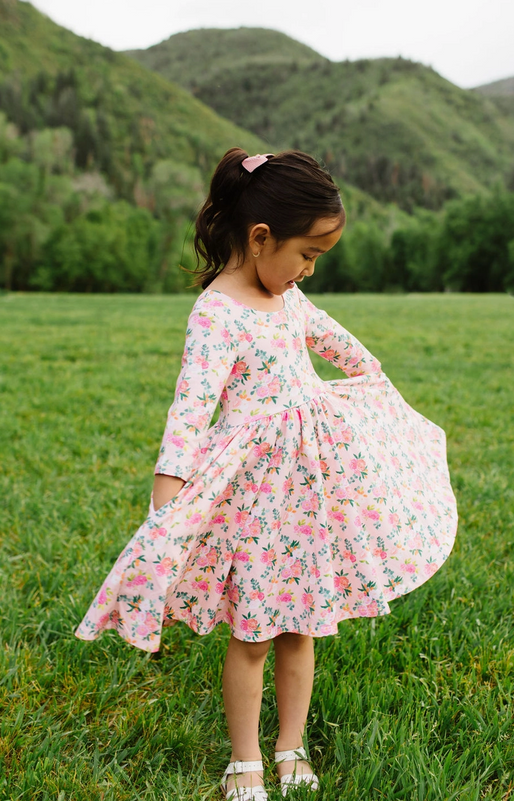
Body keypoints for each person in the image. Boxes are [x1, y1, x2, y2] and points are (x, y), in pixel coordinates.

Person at [76, 148, 458, 800]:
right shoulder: (217, 314)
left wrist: (364, 398)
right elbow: (188, 416)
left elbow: (350, 353)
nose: (308, 269)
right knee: (253, 633)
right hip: (254, 504)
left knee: (300, 627)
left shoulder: (291, 301)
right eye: (306, 253)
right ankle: (245, 758)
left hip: (309, 498)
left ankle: (291, 746)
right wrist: (163, 518)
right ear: (260, 239)